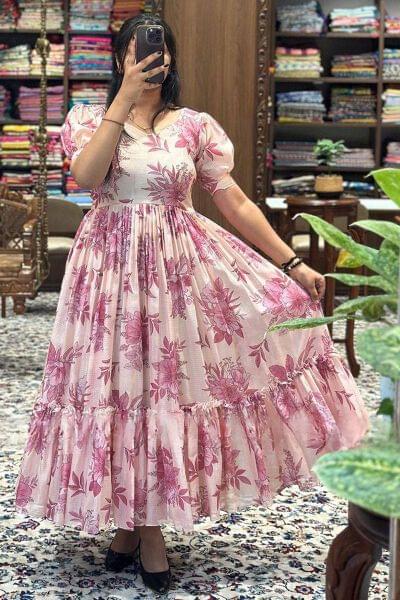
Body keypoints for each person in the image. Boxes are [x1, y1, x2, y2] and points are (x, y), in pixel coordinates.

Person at [14, 14, 371, 596]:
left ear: (171, 60)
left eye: (156, 53)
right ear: (120, 60)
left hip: (176, 276)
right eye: (135, 53)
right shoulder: (88, 118)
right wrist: (122, 100)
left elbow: (234, 202)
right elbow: (84, 177)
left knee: (163, 390)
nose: (148, 61)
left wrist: (291, 264)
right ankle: (137, 525)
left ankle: (141, 527)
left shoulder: (194, 127)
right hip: (107, 277)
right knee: (118, 390)